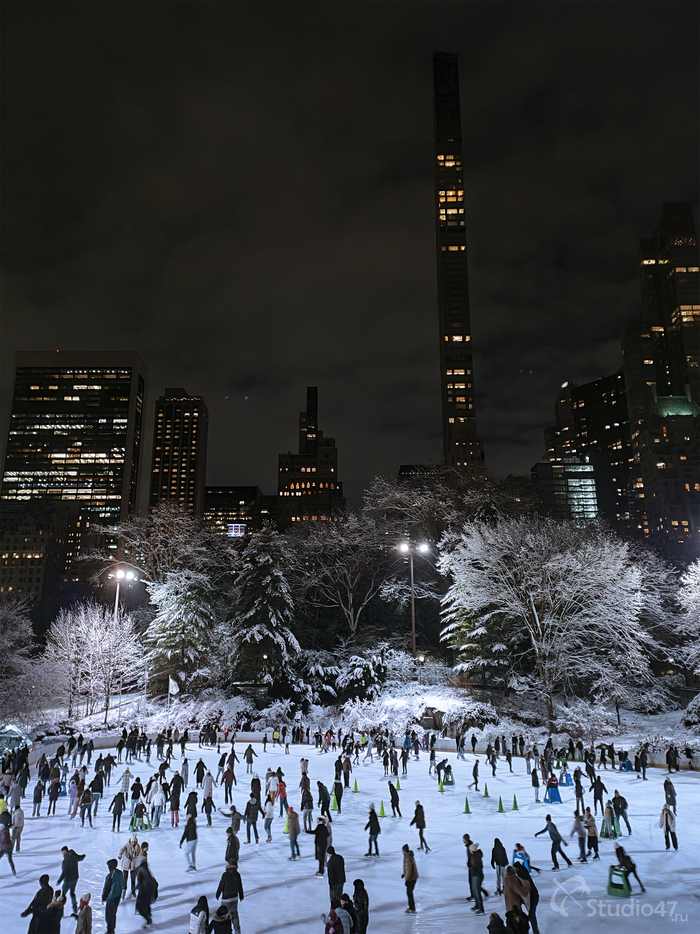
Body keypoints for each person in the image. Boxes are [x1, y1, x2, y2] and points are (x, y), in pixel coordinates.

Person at [57, 846, 86, 917]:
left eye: (63, 852)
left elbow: (65, 872)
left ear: (65, 852)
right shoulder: (73, 855)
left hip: (67, 880)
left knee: (62, 895)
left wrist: (59, 880)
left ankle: (59, 911)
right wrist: (83, 856)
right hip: (75, 878)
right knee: (72, 893)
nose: (62, 854)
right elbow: (80, 858)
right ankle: (75, 909)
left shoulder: (65, 861)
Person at [216, 862, 244, 934]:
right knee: (234, 914)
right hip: (234, 898)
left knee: (224, 916)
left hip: (226, 898)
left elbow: (221, 885)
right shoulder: (237, 874)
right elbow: (239, 885)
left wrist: (218, 893)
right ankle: (237, 931)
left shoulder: (225, 875)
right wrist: (241, 895)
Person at [515, 861, 539, 934]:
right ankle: (534, 930)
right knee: (531, 914)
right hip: (533, 896)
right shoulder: (524, 872)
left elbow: (525, 888)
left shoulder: (522, 875)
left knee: (531, 914)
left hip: (533, 897)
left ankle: (535, 931)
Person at [135, 844, 157, 926]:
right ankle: (148, 917)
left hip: (144, 891)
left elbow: (142, 881)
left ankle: (147, 918)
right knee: (145, 905)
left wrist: (136, 888)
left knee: (140, 906)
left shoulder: (141, 870)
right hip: (146, 890)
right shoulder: (144, 869)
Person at [102, 859, 123, 934]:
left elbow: (107, 888)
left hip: (111, 898)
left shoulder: (110, 876)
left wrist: (103, 897)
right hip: (117, 897)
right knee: (113, 914)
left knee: (109, 915)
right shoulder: (120, 873)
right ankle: (111, 929)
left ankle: (110, 930)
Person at [118, 834, 140, 899]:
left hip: (133, 865)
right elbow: (122, 849)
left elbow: (139, 855)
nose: (132, 843)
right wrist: (120, 854)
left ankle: (133, 891)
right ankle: (124, 890)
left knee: (133, 879)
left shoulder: (138, 847)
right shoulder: (127, 845)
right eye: (131, 841)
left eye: (134, 842)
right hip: (126, 864)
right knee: (125, 878)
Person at [469, 842, 485, 916]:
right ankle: (477, 905)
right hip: (474, 876)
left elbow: (478, 868)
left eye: (470, 850)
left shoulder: (476, 858)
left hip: (477, 876)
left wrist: (473, 871)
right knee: (474, 891)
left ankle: (481, 909)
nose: (469, 851)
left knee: (477, 892)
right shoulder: (473, 856)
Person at [401, 843, 418, 914]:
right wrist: (404, 874)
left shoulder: (407, 858)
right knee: (409, 893)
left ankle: (412, 908)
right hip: (413, 877)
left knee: (409, 893)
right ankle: (411, 907)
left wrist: (407, 879)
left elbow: (409, 869)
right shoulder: (409, 856)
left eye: (403, 851)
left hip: (411, 878)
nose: (402, 852)